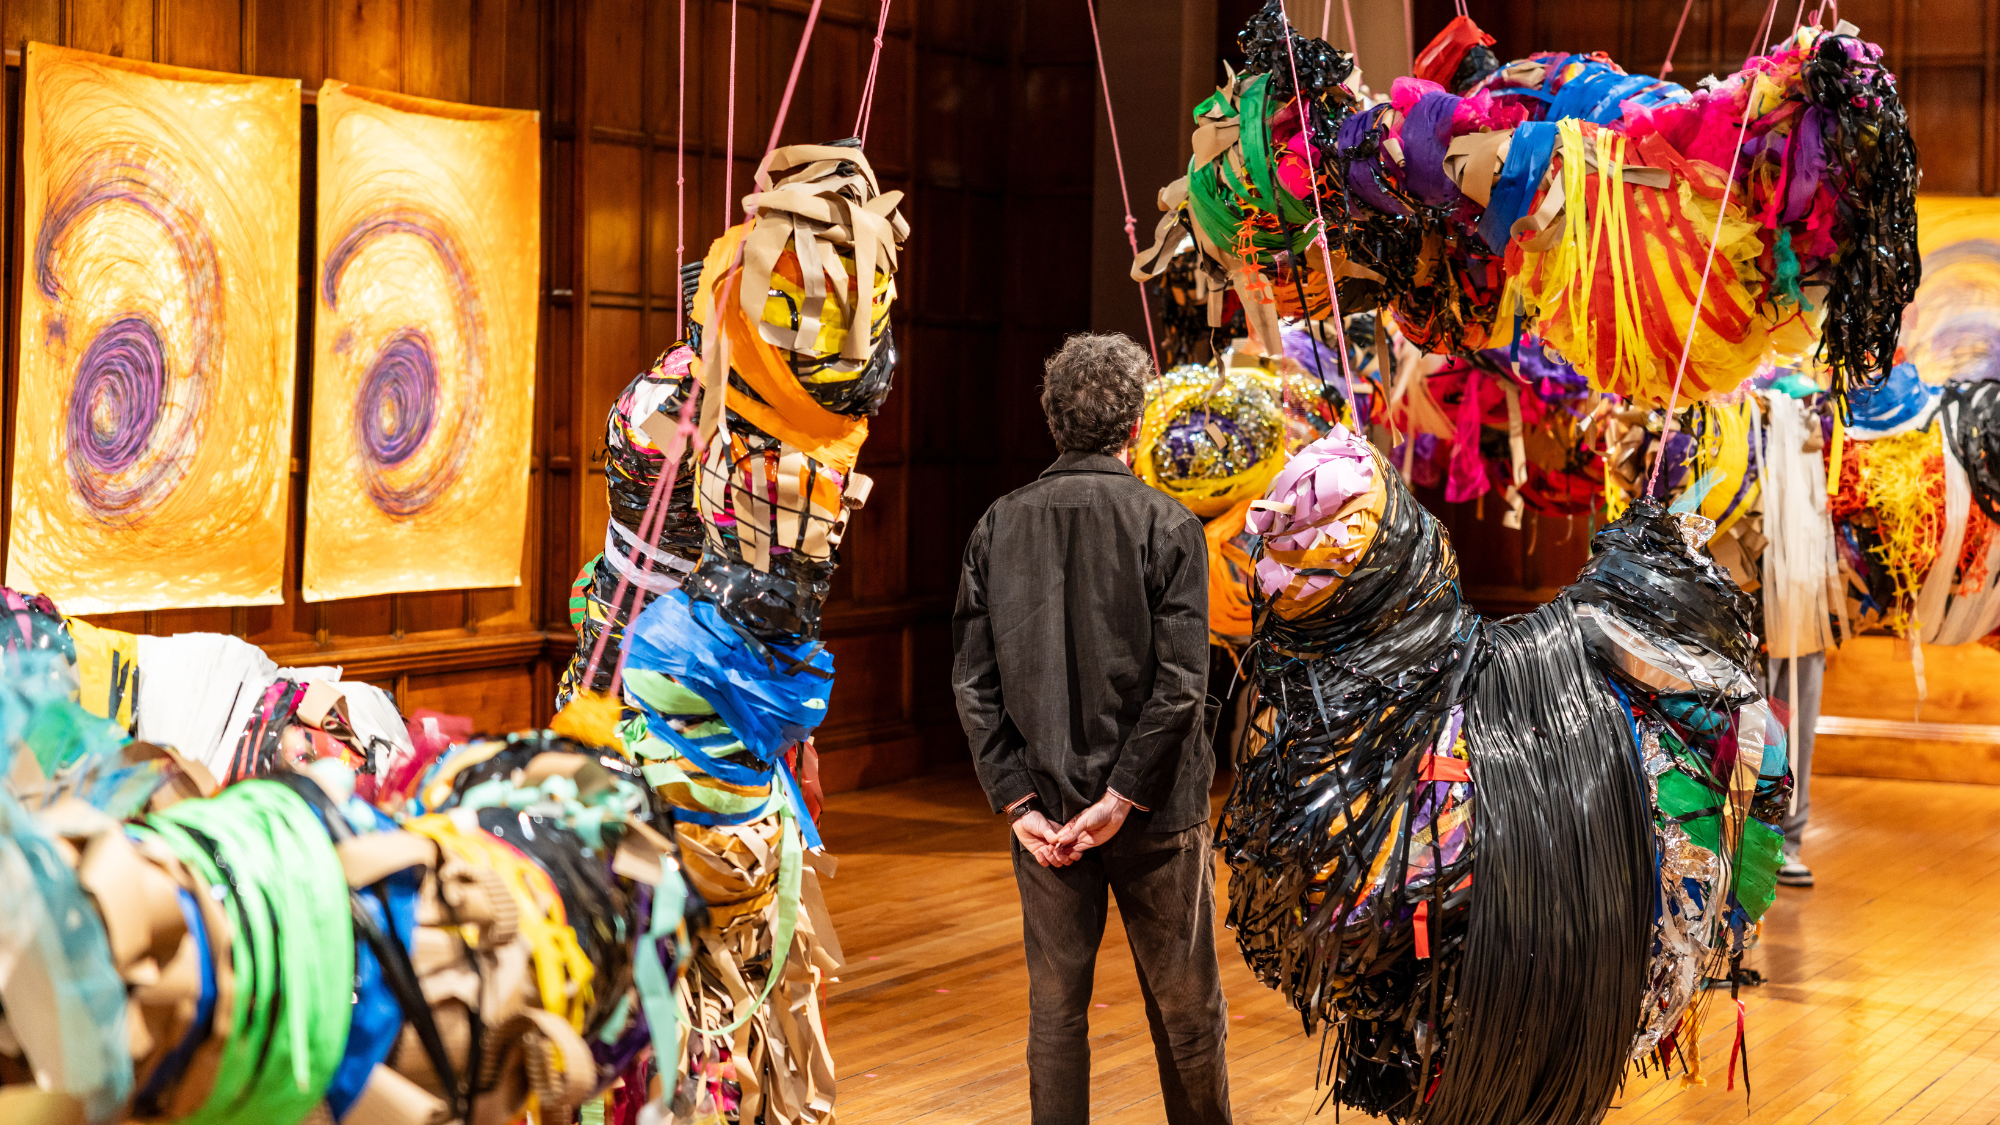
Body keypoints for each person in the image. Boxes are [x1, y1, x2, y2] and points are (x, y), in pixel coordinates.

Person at [952, 332, 1231, 1125]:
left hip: (1046, 818)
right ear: (1136, 426)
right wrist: (1120, 800)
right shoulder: (1170, 523)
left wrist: (1018, 803)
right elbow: (1183, 685)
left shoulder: (994, 525)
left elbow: (973, 684)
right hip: (1156, 815)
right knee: (1186, 1015)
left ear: (1053, 421)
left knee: (1056, 1015)